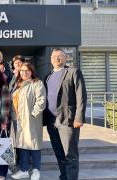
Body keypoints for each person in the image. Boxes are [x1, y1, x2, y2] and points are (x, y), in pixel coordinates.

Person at [43, 48, 87, 180]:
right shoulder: (48, 76)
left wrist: (79, 118)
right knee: (59, 154)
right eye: (54, 56)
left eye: (60, 56)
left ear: (65, 58)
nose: (56, 58)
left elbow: (81, 96)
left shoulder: (73, 72)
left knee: (70, 155)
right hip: (52, 121)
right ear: (50, 59)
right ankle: (64, 177)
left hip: (68, 120)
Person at [10, 62, 46, 180]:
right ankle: (24, 170)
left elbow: (41, 100)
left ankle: (36, 170)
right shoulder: (18, 84)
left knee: (34, 144)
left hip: (31, 119)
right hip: (17, 120)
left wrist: (33, 114)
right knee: (22, 145)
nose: (24, 73)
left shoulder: (37, 83)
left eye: (27, 70)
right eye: (22, 71)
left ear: (32, 71)